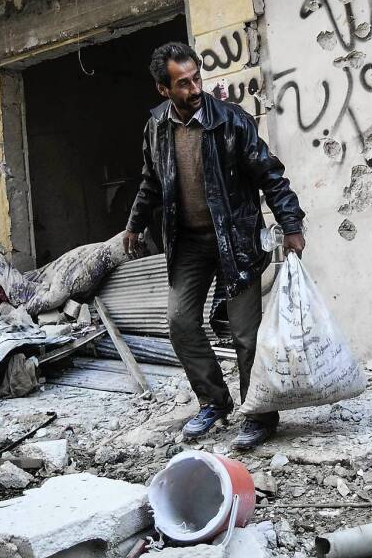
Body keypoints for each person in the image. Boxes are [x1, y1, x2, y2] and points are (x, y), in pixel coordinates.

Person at [124, 42, 305, 450]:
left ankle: (259, 413)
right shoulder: (156, 127)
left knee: (245, 334)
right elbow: (150, 181)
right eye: (183, 83)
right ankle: (213, 401)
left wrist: (290, 223)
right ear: (163, 89)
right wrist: (134, 225)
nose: (194, 88)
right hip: (187, 243)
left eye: (196, 78)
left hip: (236, 240)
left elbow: (269, 174)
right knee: (181, 323)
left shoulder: (231, 121)